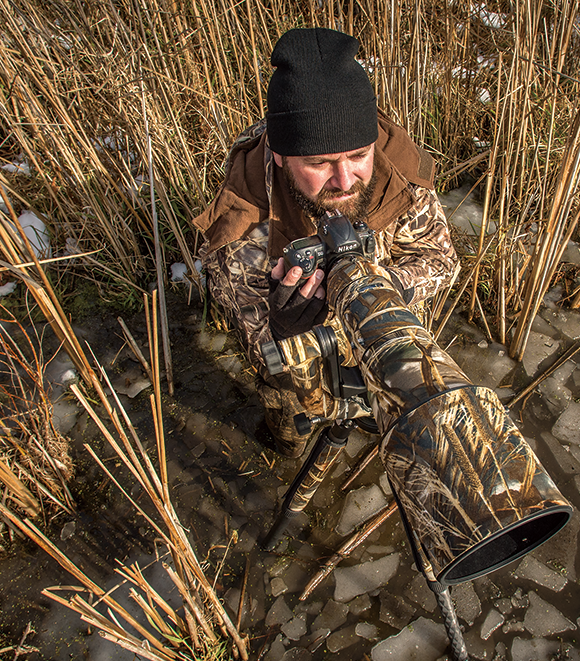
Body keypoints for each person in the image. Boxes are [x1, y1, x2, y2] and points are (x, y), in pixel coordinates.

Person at [193, 27, 459, 457]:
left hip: (386, 343)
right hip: (296, 366)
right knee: (288, 432)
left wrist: (379, 292)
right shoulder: (243, 225)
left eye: (358, 156)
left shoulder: (399, 178)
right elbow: (259, 345)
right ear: (281, 157)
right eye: (319, 163)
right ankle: (288, 444)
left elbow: (442, 260)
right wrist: (282, 328)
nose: (345, 180)